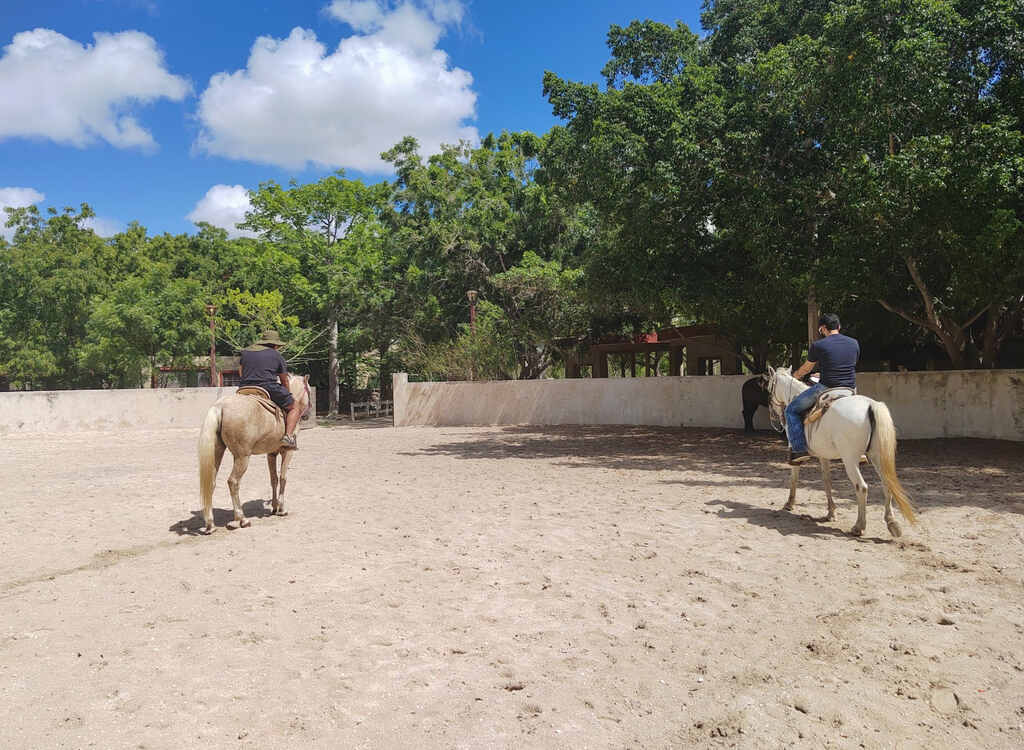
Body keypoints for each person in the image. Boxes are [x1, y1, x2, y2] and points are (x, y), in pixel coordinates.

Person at [785, 313, 860, 465]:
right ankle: (860, 449)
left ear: (823, 329)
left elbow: (807, 368)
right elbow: (846, 365)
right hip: (850, 389)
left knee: (791, 410)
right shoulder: (854, 343)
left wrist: (797, 375)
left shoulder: (819, 345)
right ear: (839, 327)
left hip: (827, 387)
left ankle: (799, 450)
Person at [239, 330, 301, 449]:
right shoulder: (276, 355)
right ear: (275, 345)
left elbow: (241, 372)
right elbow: (284, 380)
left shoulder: (246, 352)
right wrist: (288, 394)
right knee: (295, 407)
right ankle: (288, 437)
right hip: (267, 387)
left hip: (244, 387)